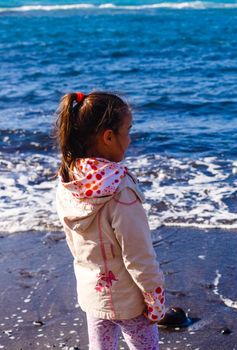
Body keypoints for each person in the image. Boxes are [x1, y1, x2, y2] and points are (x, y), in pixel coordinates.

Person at [54, 91, 165, 350]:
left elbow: (74, 243)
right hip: (129, 301)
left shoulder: (68, 180)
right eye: (127, 130)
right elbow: (139, 255)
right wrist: (155, 297)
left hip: (93, 295)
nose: (130, 138)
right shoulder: (120, 189)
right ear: (108, 137)